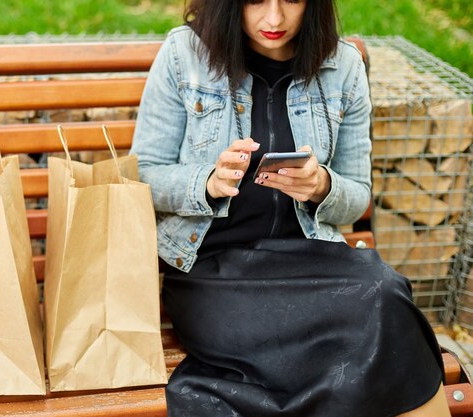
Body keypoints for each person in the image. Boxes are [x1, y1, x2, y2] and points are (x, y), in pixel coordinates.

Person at [130, 0, 451, 416]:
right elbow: (144, 176)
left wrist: (321, 185)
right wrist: (207, 182)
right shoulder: (184, 54)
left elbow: (357, 195)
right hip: (213, 273)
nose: (275, 18)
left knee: (387, 295)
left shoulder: (342, 65)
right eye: (256, 1)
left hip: (312, 261)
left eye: (292, 0)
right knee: (362, 335)